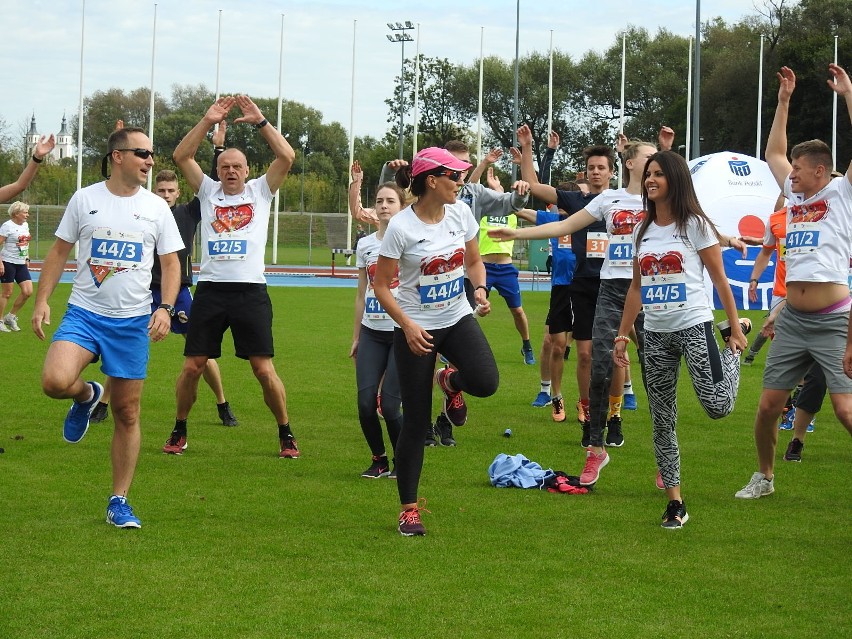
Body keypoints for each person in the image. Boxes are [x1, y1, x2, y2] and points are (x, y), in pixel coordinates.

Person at [31, 126, 183, 528]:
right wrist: (43, 300)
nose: (151, 160)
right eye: (143, 153)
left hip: (132, 323)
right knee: (53, 381)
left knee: (127, 413)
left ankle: (119, 500)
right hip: (84, 314)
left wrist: (165, 307)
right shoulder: (84, 199)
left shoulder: (157, 208)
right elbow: (59, 252)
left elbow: (171, 263)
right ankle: (85, 395)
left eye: (152, 154)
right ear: (118, 157)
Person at [492, 136, 660, 482]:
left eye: (601, 167)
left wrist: (725, 239)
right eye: (651, 157)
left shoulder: (662, 199)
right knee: (595, 362)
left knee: (657, 374)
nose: (658, 163)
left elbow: (694, 222)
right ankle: (594, 446)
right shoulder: (604, 201)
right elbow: (560, 221)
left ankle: (662, 457)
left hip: (650, 291)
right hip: (606, 289)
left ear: (613, 168)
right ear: (630, 163)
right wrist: (517, 234)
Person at [612, 150, 747, 528]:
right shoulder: (643, 230)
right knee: (661, 419)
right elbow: (637, 288)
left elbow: (720, 279)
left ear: (675, 179)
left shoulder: (696, 225)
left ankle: (730, 355)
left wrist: (734, 328)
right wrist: (623, 335)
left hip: (694, 325)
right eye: (648, 174)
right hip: (654, 335)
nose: (650, 179)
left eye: (658, 174)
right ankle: (675, 501)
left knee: (718, 406)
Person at [737, 64, 852, 500]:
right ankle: (764, 478)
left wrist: (847, 94)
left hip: (833, 320)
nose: (792, 177)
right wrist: (783, 102)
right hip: (792, 321)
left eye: (800, 171)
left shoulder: (841, 194)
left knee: (845, 410)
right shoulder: (796, 201)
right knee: (768, 406)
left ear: (822, 171)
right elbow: (773, 154)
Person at [373, 147, 499, 536]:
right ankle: (408, 508)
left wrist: (478, 289)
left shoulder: (461, 213)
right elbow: (381, 286)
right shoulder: (401, 228)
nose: (461, 183)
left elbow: (475, 260)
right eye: (455, 177)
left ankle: (451, 382)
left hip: (457, 317)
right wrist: (407, 327)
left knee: (486, 382)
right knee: (415, 421)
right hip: (416, 329)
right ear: (432, 181)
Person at [169, 95, 299, 458]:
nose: (230, 171)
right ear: (218, 170)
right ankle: (180, 429)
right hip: (211, 292)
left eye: (236, 166)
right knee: (193, 365)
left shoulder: (261, 191)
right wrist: (206, 121)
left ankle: (285, 431)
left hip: (250, 292)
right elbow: (182, 157)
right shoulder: (208, 190)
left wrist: (261, 121)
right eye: (224, 165)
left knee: (262, 368)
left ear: (246, 170)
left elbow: (286, 157)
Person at [92, 126, 239, 430]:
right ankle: (103, 404)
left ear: (178, 193)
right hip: (145, 291)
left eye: (171, 191)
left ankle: (223, 404)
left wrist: (216, 149)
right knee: (126, 345)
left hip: (180, 292)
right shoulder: (143, 211)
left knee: (202, 352)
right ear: (154, 191)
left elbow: (209, 187)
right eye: (161, 191)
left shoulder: (189, 213)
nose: (167, 195)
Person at [513, 127, 612, 432]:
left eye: (601, 168)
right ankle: (559, 396)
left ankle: (615, 409)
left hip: (609, 286)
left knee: (610, 350)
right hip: (572, 286)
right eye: (591, 168)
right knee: (562, 347)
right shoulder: (574, 203)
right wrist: (528, 148)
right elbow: (534, 187)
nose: (595, 172)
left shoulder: (621, 202)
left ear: (610, 172)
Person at [350, 179, 406, 477]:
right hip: (372, 333)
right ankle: (379, 459)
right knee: (365, 403)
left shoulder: (411, 241)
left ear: (402, 206)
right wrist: (357, 336)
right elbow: (362, 293)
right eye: (380, 201)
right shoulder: (366, 245)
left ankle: (402, 461)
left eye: (390, 201)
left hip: (401, 334)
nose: (384, 206)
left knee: (392, 405)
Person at [0, 202, 35, 332]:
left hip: (21, 263)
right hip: (8, 262)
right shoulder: (7, 226)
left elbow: (25, 243)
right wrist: (0, 263)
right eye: (25, 212)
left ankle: (11, 317)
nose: (27, 215)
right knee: (7, 293)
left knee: (28, 291)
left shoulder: (25, 225)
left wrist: (27, 257)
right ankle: (0, 320)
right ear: (16, 213)